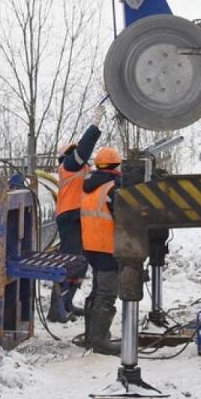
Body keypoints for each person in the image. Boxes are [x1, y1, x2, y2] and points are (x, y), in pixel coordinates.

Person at [48, 105, 105, 323]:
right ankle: (57, 308)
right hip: (70, 218)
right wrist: (95, 125)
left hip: (77, 217)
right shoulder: (69, 166)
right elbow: (84, 149)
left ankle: (67, 302)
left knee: (80, 263)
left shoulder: (78, 169)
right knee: (71, 261)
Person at [79, 146, 124, 355]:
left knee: (97, 291)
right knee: (106, 295)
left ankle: (91, 337)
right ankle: (99, 341)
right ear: (117, 165)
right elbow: (123, 218)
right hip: (107, 247)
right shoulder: (112, 188)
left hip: (91, 247)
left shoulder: (89, 185)